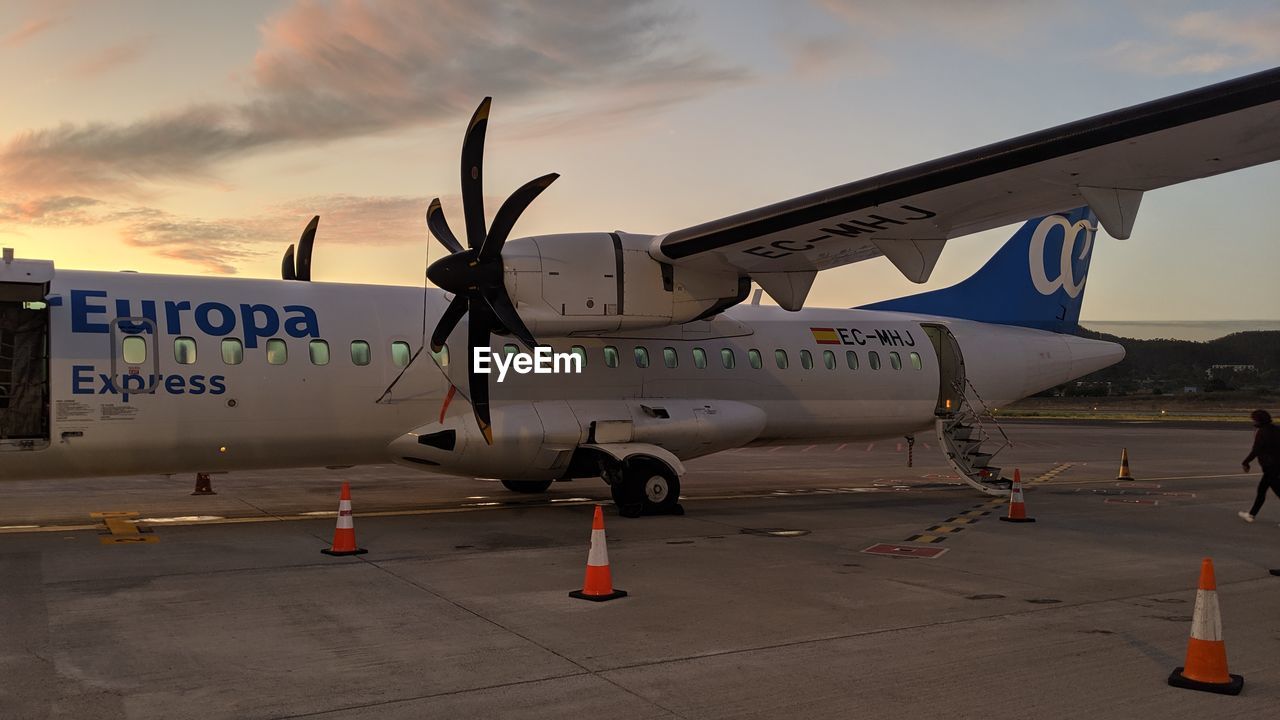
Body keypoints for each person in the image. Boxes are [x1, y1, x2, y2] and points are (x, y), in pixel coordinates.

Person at [1238, 409, 1280, 523]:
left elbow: (1256, 450)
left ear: (1258, 420)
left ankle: (1251, 515)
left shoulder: (1262, 432)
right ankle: (1251, 515)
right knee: (1261, 490)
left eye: (1253, 419)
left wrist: (1245, 462)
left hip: (1270, 466)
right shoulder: (1276, 429)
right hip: (1276, 465)